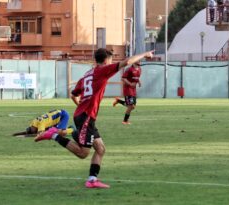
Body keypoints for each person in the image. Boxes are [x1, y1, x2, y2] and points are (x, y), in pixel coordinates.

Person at [34, 48, 154, 189]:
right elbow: (126, 62)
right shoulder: (101, 71)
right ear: (106, 60)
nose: (111, 62)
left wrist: (83, 106)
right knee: (83, 153)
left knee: (100, 149)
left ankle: (92, 180)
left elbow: (74, 94)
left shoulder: (87, 74)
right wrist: (145, 54)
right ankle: (53, 135)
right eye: (111, 59)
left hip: (84, 115)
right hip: (85, 117)